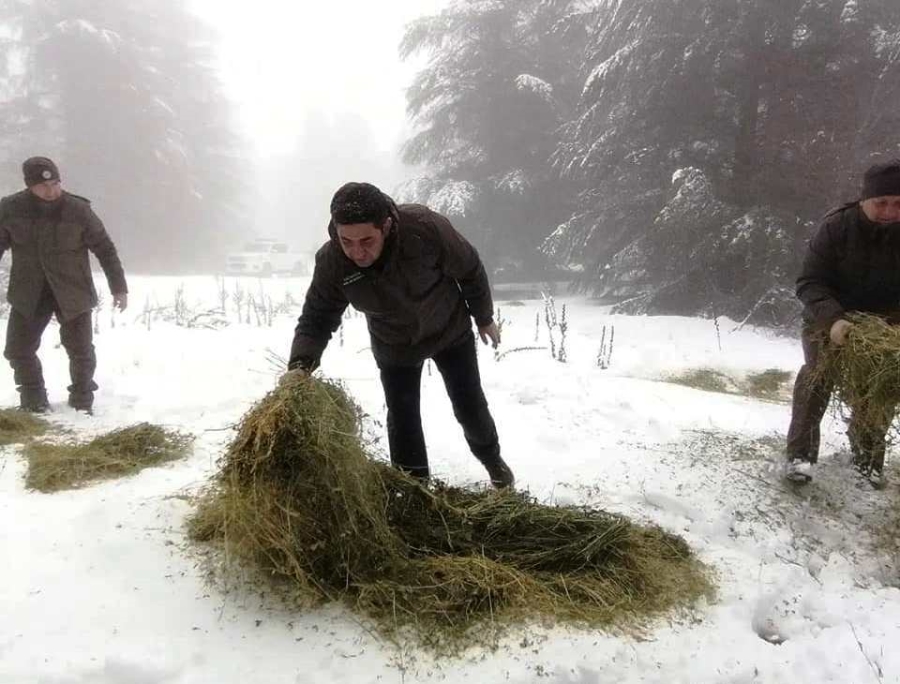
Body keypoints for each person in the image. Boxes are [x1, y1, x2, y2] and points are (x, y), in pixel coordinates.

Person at [286, 182, 514, 488]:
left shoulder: (424, 229)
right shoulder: (333, 262)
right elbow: (317, 315)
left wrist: (483, 317)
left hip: (448, 330)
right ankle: (414, 493)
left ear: (387, 225)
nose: (357, 252)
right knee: (403, 418)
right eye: (347, 241)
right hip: (395, 346)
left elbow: (470, 268)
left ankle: (494, 463)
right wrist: (301, 364)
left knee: (469, 406)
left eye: (366, 240)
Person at [786, 159, 900, 485]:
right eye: (882, 203)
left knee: (879, 388)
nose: (890, 211)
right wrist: (834, 321)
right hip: (829, 320)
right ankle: (800, 458)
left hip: (885, 326)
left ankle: (867, 461)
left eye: (898, 204)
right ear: (864, 200)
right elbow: (810, 282)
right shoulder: (836, 228)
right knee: (816, 380)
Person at [0, 157, 128, 413]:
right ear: (30, 186)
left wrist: (119, 287)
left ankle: (82, 400)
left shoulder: (78, 210)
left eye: (56, 183)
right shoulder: (10, 209)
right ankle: (33, 398)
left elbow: (105, 249)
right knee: (17, 349)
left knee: (80, 350)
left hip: (73, 290)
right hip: (29, 291)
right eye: (44, 186)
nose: (52, 191)